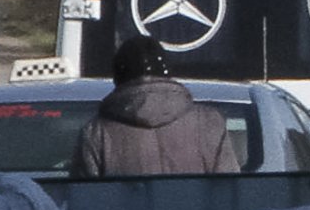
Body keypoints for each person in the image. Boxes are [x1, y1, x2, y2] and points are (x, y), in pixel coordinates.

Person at [70, 36, 237, 177]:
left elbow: (86, 198)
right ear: (167, 72)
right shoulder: (209, 122)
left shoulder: (96, 132)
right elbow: (228, 189)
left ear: (118, 77)